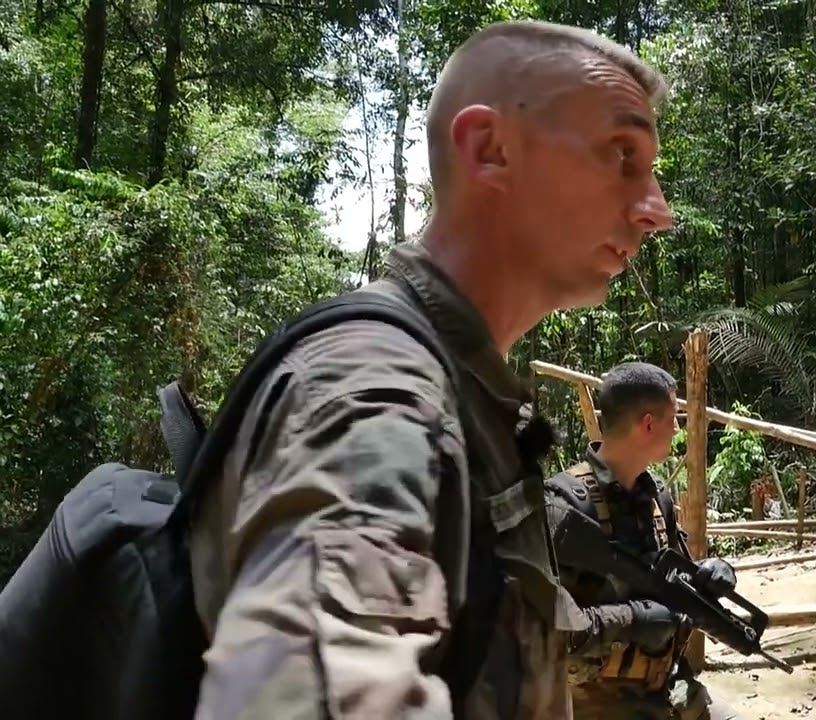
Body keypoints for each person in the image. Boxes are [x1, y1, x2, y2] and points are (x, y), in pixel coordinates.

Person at [187, 19, 674, 720]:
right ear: (489, 149)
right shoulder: (373, 389)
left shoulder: (465, 390)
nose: (655, 210)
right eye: (621, 155)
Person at [545, 362, 743, 720]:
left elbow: (670, 579)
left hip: (668, 692)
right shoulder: (565, 508)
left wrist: (706, 575)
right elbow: (540, 630)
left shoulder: (656, 498)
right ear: (648, 424)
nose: (677, 428)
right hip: (591, 708)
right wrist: (632, 619)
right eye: (674, 417)